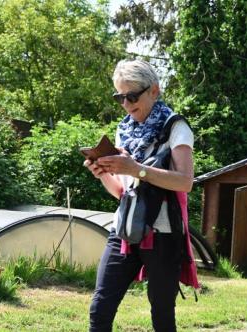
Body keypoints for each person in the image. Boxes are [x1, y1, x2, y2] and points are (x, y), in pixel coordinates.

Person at [85, 59, 198, 332]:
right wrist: (101, 172)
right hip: (125, 228)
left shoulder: (176, 128)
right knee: (100, 307)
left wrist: (137, 169)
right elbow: (122, 192)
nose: (126, 104)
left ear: (154, 91)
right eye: (120, 97)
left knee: (161, 314)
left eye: (132, 96)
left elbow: (185, 182)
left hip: (163, 234)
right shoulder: (124, 131)